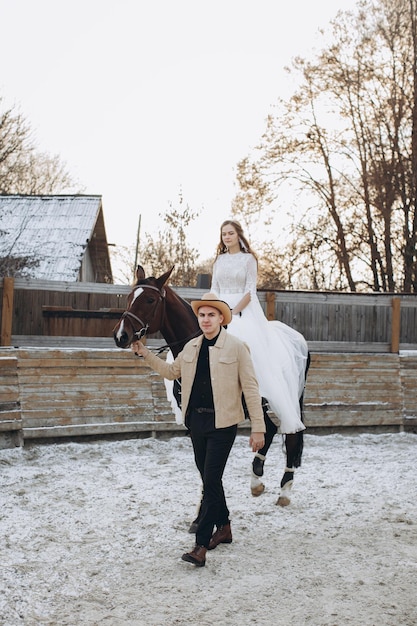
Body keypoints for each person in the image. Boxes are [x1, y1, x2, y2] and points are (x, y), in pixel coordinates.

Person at [131, 293, 265, 568]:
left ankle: (201, 545)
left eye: (211, 315)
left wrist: (258, 428)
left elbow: (251, 389)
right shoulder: (190, 347)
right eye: (202, 315)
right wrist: (145, 354)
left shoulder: (238, 348)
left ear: (220, 319)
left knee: (210, 480)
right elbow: (171, 373)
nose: (205, 320)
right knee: (209, 479)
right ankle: (225, 526)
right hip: (197, 424)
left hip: (223, 424)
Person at [211, 219, 309, 436]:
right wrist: (213, 309)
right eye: (223, 234)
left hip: (241, 310)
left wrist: (233, 312)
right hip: (218, 310)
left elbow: (250, 291)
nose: (226, 237)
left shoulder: (248, 260)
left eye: (230, 233)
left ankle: (254, 392)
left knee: (247, 344)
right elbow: (214, 289)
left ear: (238, 235)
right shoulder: (218, 261)